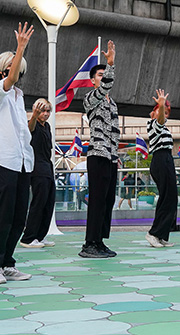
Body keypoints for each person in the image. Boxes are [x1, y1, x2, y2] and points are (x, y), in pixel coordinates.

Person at [0, 23, 35, 284]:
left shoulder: (19, 96)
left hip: (23, 161)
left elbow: (23, 131)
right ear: (2, 71)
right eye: (13, 70)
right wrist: (21, 46)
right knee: (5, 215)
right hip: (3, 160)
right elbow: (9, 80)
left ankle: (7, 263)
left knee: (18, 218)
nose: (16, 75)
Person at [80, 40, 120, 258]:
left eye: (105, 73)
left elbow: (115, 131)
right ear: (93, 81)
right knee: (96, 199)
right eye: (99, 75)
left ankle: (100, 240)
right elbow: (106, 85)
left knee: (108, 200)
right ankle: (89, 243)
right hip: (97, 154)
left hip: (110, 156)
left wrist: (116, 156)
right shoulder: (91, 99)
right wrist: (111, 64)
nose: (103, 77)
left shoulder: (112, 103)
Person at [20, 99, 57, 249]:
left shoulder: (47, 127)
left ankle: (40, 235)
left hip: (47, 167)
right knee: (38, 202)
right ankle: (29, 237)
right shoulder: (31, 124)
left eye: (48, 111)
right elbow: (29, 130)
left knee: (48, 203)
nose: (46, 114)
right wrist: (34, 116)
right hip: (37, 169)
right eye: (43, 110)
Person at [145, 88, 178, 248]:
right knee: (167, 197)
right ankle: (154, 233)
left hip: (167, 159)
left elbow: (162, 120)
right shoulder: (152, 124)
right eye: (161, 110)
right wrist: (161, 105)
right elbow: (160, 120)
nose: (164, 114)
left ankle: (162, 234)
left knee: (171, 198)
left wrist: (163, 106)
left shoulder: (163, 127)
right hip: (160, 159)